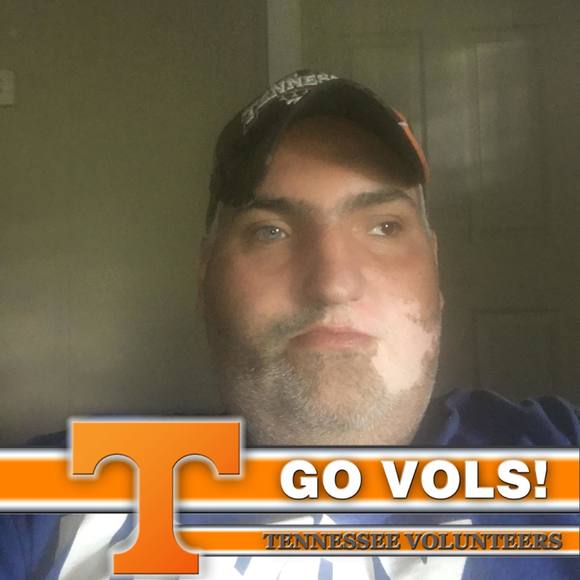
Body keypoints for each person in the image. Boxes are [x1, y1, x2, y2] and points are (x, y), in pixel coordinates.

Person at [0, 70, 578, 579]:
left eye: (383, 227)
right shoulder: (50, 494)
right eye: (270, 232)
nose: (332, 283)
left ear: (435, 267)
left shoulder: (560, 459)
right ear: (206, 278)